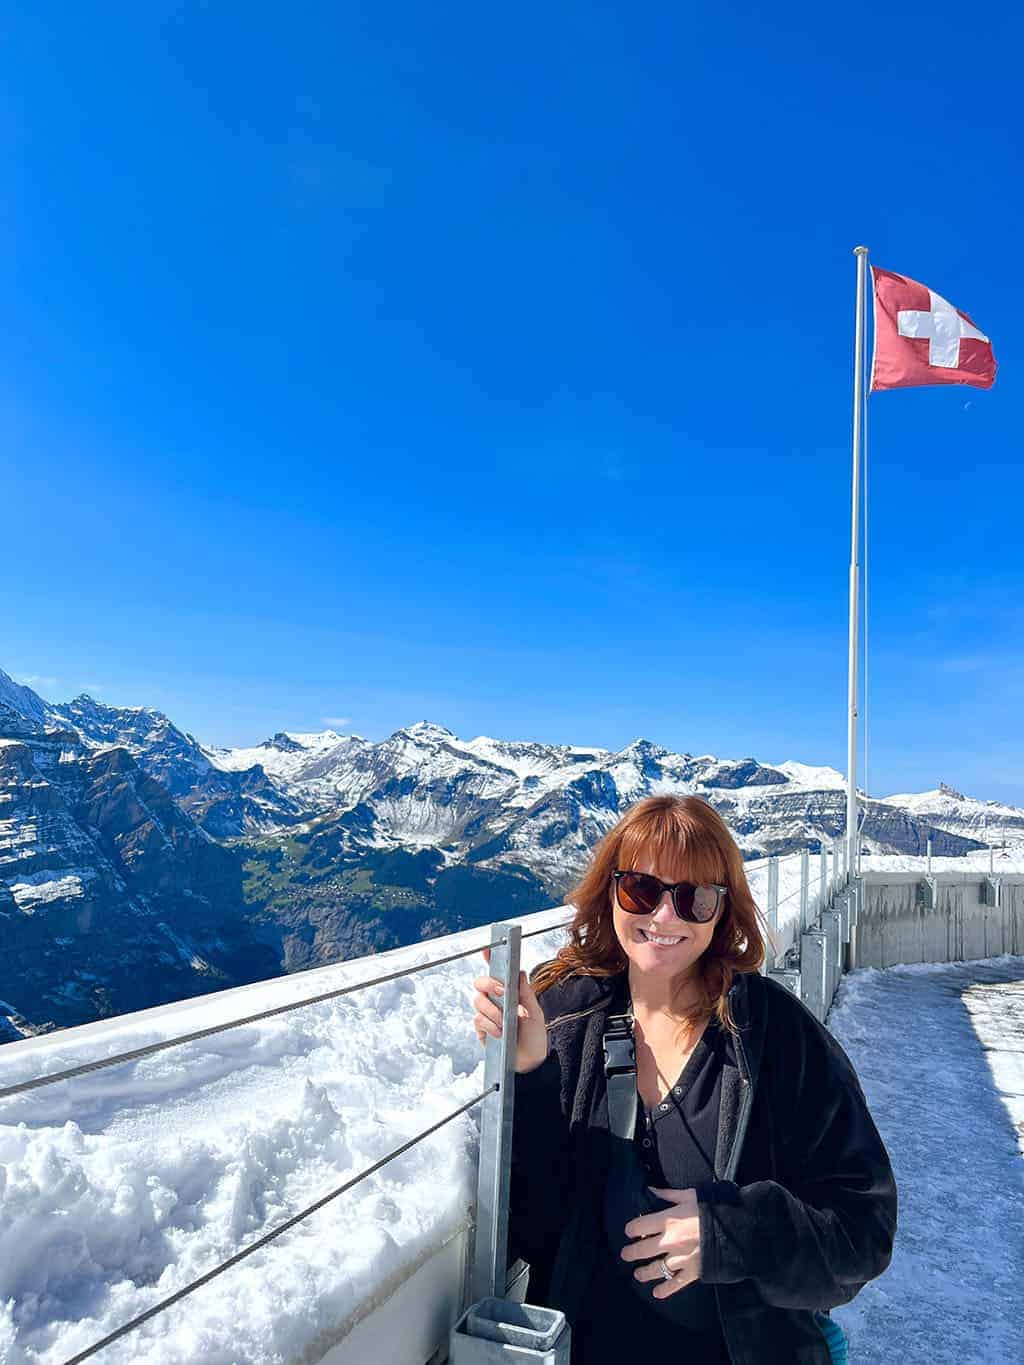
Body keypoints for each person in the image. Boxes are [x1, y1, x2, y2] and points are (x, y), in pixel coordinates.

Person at [471, 794, 897, 1364]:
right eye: (641, 890)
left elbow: (862, 1234)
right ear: (610, 893)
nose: (664, 917)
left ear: (724, 911)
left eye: (695, 898)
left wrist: (732, 1233)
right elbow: (534, 1228)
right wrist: (530, 1073)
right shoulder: (565, 1019)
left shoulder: (777, 1038)